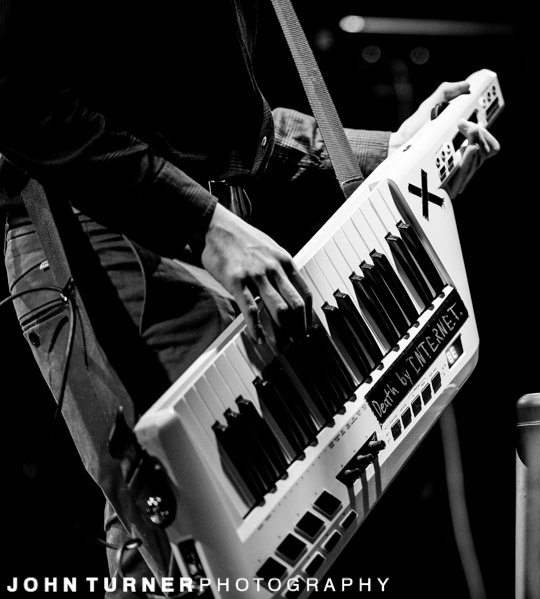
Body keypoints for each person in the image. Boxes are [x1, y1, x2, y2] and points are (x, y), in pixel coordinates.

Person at [0, 0, 500, 595]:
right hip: (102, 225)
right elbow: (16, 93)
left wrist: (392, 150)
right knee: (200, 540)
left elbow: (236, 133)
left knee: (257, 542)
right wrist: (205, 225)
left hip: (194, 221)